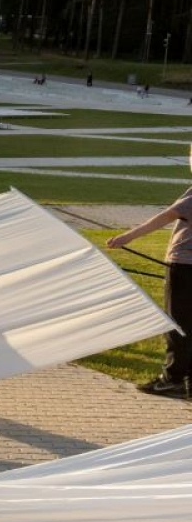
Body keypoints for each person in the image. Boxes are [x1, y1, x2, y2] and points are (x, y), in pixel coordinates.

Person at [109, 150, 192, 398]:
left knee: (178, 325)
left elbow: (165, 217)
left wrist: (126, 238)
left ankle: (172, 379)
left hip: (184, 266)